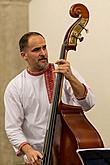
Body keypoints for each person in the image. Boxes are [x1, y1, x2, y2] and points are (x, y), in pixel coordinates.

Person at [4, 32, 95, 165]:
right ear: (24, 55)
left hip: (68, 153)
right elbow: (12, 128)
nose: (43, 53)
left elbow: (89, 103)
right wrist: (29, 151)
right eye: (36, 50)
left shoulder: (65, 72)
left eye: (44, 47)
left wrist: (71, 78)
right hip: (39, 159)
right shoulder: (15, 87)